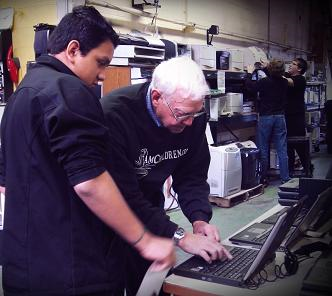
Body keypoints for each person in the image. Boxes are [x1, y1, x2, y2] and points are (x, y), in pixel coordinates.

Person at [0, 6, 175, 296]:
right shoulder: (69, 92)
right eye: (101, 62)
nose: (103, 75)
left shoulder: (20, 96)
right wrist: (145, 240)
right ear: (72, 50)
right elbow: (90, 183)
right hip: (74, 273)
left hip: (23, 270)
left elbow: (7, 186)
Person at [100, 56, 232, 295]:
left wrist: (199, 218)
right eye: (183, 114)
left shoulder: (191, 114)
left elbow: (192, 174)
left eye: (196, 113)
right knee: (109, 283)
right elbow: (123, 196)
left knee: (150, 287)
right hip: (108, 218)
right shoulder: (114, 116)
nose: (191, 123)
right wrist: (179, 236)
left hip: (148, 207)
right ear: (157, 97)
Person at [246, 59, 290, 185]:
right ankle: (285, 178)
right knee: (282, 149)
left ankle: (263, 178)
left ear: (270, 69)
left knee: (263, 148)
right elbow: (275, 77)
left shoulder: (264, 82)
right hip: (280, 117)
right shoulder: (284, 82)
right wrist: (267, 68)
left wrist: (249, 73)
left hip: (266, 117)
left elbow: (251, 87)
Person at [284, 58, 311, 175]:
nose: (290, 65)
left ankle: (308, 169)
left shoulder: (300, 79)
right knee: (288, 146)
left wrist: (268, 69)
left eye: (293, 64)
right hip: (287, 116)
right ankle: (289, 171)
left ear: (299, 69)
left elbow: (284, 81)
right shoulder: (288, 76)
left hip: (296, 117)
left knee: (300, 146)